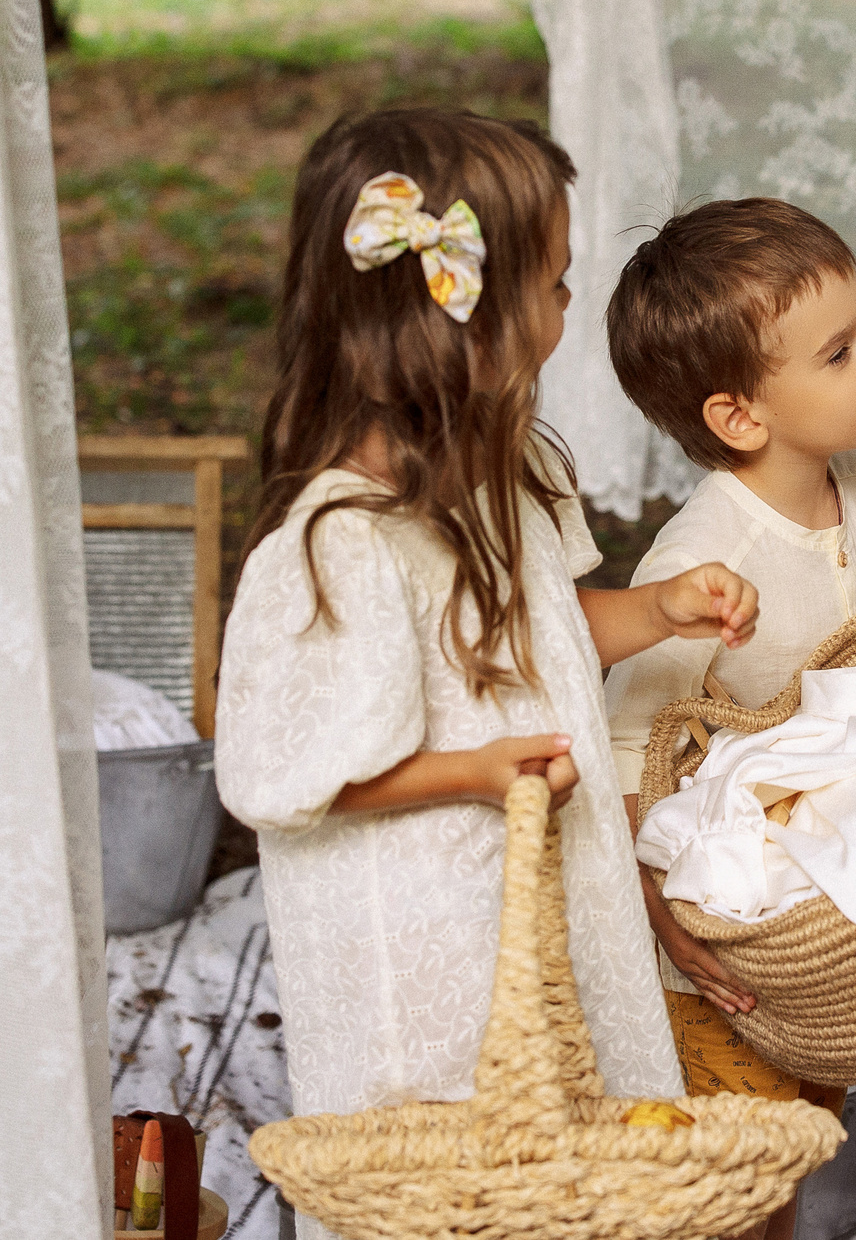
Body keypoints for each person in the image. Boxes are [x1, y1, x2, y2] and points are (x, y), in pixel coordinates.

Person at [213, 110, 762, 1240]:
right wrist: (469, 771)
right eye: (555, 287)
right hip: (428, 947)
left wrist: (655, 611)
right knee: (453, 1186)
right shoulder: (337, 548)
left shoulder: (502, 481)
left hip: (542, 900)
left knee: (568, 1177)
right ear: (464, 311)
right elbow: (278, 779)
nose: (568, 314)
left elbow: (547, 638)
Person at [600, 197, 856, 1240]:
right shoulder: (705, 560)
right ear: (740, 417)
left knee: (806, 1143)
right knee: (737, 1184)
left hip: (817, 927)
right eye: (838, 352)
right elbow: (625, 749)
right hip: (723, 947)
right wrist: (663, 921)